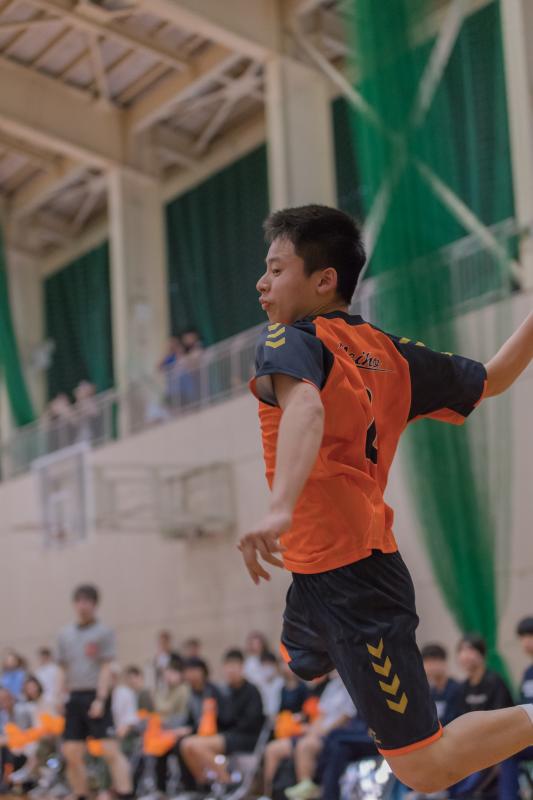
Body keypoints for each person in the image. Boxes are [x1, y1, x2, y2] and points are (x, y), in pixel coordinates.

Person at [238, 204, 533, 794]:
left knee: (423, 767)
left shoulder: (288, 339)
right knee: (300, 661)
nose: (261, 284)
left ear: (324, 280)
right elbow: (496, 377)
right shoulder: (390, 354)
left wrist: (279, 508)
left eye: (276, 269)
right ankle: (317, 651)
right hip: (315, 570)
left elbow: (306, 407)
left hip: (355, 584)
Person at [57, 584, 133, 800]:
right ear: (74, 604)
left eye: (87, 601)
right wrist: (59, 696)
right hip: (74, 696)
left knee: (109, 749)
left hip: (95, 695)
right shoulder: (65, 634)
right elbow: (62, 667)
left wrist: (101, 698)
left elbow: (106, 667)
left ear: (95, 605)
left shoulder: (103, 632)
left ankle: (126, 793)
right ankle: (81, 793)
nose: (83, 606)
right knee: (71, 751)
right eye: (79, 601)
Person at [263, 671, 355, 800]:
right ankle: (268, 794)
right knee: (272, 749)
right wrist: (312, 731)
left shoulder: (353, 687)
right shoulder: (333, 685)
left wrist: (320, 733)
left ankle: (305, 788)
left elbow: (345, 718)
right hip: (315, 733)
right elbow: (321, 714)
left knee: (305, 746)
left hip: (333, 736)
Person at [180, 649, 264, 788]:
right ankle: (204, 784)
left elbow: (252, 721)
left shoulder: (252, 691)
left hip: (246, 737)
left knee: (194, 745)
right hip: (227, 735)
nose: (231, 670)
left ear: (242, 668)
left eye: (234, 666)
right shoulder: (224, 691)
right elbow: (222, 718)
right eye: (228, 666)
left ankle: (227, 780)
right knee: (186, 745)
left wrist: (227, 729)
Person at [499, 617, 533, 800]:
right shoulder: (528, 673)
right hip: (529, 737)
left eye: (530, 635)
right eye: (523, 637)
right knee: (507, 749)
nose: (526, 641)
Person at [421, 643, 462, 726]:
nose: (429, 667)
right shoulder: (430, 692)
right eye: (425, 662)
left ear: (444, 663)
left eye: (433, 661)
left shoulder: (457, 689)